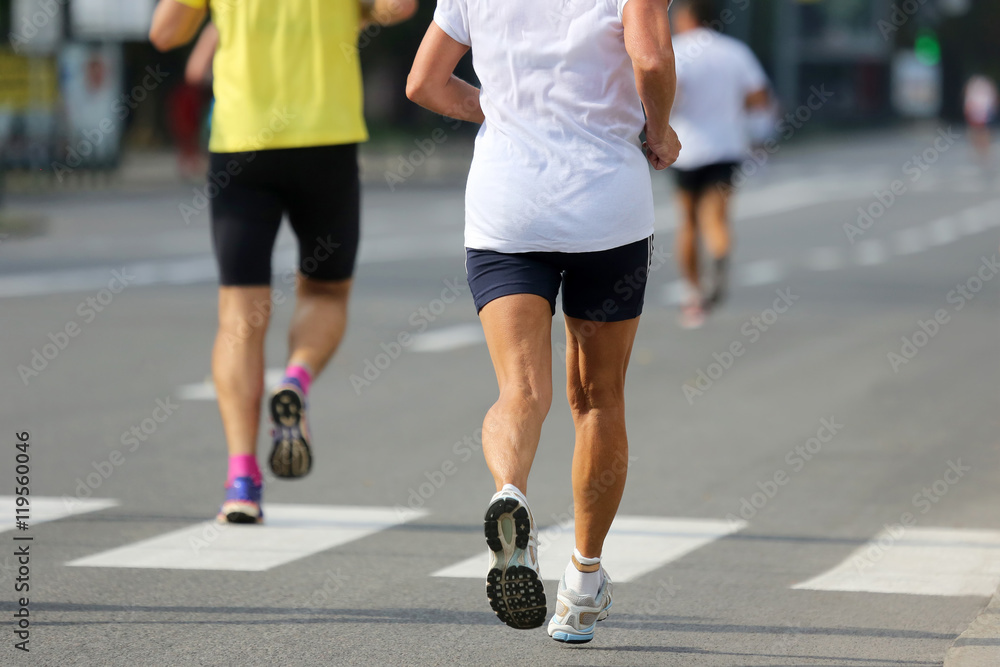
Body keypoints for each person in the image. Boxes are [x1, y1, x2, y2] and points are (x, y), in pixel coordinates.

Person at [407, 0, 679, 643]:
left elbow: (422, 82)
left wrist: (496, 111)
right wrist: (658, 130)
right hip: (605, 209)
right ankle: (583, 585)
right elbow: (651, 56)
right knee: (599, 400)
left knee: (519, 391)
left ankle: (510, 492)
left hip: (508, 209)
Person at [149, 0, 417, 524]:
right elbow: (398, 6)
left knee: (239, 317)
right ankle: (294, 379)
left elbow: (164, 33)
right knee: (324, 292)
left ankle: (242, 480)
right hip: (327, 139)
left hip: (242, 142)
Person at [668, 0, 770, 328]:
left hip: (684, 150)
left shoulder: (676, 50)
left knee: (687, 221)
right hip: (727, 148)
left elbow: (667, 91)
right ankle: (720, 248)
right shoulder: (735, 52)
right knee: (716, 216)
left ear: (686, 17)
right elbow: (758, 97)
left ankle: (692, 292)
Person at [964, 74, 998, 168]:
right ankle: (980, 150)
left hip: (984, 111)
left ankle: (985, 150)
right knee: (975, 132)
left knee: (984, 132)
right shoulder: (973, 86)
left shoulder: (985, 86)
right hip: (975, 112)